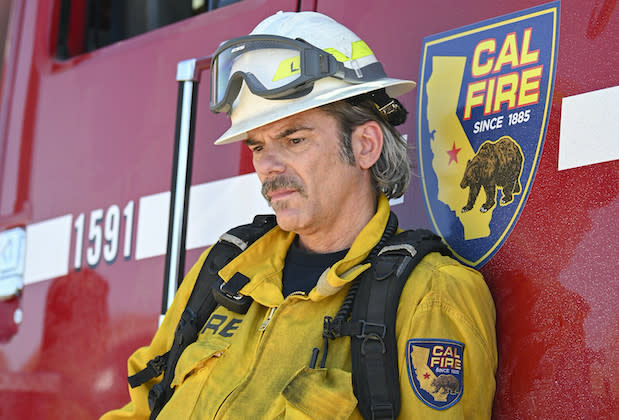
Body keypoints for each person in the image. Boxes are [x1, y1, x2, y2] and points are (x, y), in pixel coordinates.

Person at [101, 11, 497, 420]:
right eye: (257, 146)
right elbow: (141, 408)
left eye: (294, 139)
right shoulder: (224, 269)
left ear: (365, 145)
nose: (268, 165)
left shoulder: (430, 295)